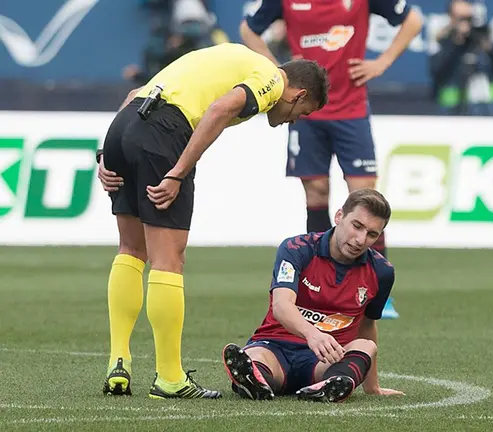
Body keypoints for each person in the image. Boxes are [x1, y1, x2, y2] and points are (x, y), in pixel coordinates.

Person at [96, 42, 330, 400]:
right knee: (168, 260)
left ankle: (118, 362)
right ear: (298, 93)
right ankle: (170, 378)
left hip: (125, 126)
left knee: (131, 250)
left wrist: (105, 152)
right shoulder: (271, 77)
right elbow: (221, 109)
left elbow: (133, 93)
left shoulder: (233, 58)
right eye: (303, 111)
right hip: (163, 133)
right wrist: (177, 172)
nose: (295, 120)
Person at [239, 0, 424, 320]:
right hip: (305, 112)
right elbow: (248, 29)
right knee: (316, 192)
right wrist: (278, 72)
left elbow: (414, 20)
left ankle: (380, 295)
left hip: (351, 111)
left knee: (365, 196)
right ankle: (319, 286)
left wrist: (381, 63)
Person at [221, 189, 404, 402]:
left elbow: (367, 326)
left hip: (325, 361)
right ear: (339, 216)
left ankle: (329, 385)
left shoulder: (382, 271)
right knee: (254, 357)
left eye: (372, 234)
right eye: (357, 226)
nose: (361, 239)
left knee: (366, 346)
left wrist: (372, 387)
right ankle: (256, 380)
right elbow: (281, 305)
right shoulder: (296, 249)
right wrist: (312, 334)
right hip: (275, 348)